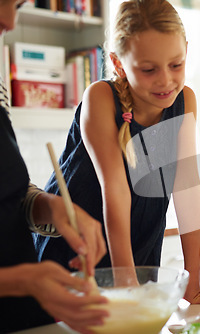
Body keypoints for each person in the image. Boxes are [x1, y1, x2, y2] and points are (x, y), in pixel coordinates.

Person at [33, 0, 200, 304]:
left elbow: (187, 188)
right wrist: (124, 278)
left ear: (187, 51)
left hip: (139, 250)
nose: (165, 80)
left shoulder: (183, 101)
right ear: (118, 63)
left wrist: (192, 279)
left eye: (175, 65)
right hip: (74, 254)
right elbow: (116, 191)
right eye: (149, 69)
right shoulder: (100, 99)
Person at [0, 1, 109, 333]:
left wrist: (50, 207)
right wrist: (21, 280)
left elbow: (10, 199)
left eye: (16, 4)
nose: (9, 20)